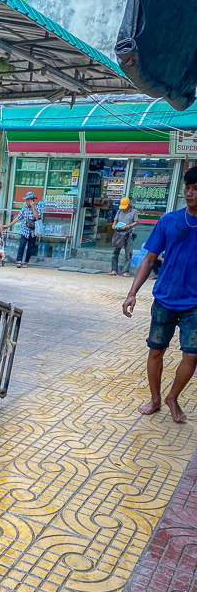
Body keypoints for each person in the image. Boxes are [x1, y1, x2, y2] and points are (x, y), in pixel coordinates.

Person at [122, 167, 197, 423]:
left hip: (194, 304)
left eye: (195, 189)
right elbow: (149, 258)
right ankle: (155, 399)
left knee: (192, 356)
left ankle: (172, 397)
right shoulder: (168, 221)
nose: (189, 193)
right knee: (156, 350)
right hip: (165, 299)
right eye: (187, 188)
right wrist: (132, 293)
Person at [2, 191, 40, 268]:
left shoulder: (37, 206)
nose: (27, 202)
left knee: (30, 247)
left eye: (29, 200)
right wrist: (8, 225)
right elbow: (18, 218)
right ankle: (18, 261)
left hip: (33, 231)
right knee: (22, 245)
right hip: (25, 230)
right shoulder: (24, 208)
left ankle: (26, 262)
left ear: (32, 200)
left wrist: (33, 207)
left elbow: (37, 217)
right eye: (26, 200)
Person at [110, 197, 138, 277]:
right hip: (119, 234)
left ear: (128, 205)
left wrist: (128, 226)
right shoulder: (119, 211)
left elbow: (136, 222)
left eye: (125, 207)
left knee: (128, 254)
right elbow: (115, 220)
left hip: (128, 234)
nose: (124, 209)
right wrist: (114, 225)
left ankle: (125, 271)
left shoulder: (134, 212)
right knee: (115, 253)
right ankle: (114, 270)